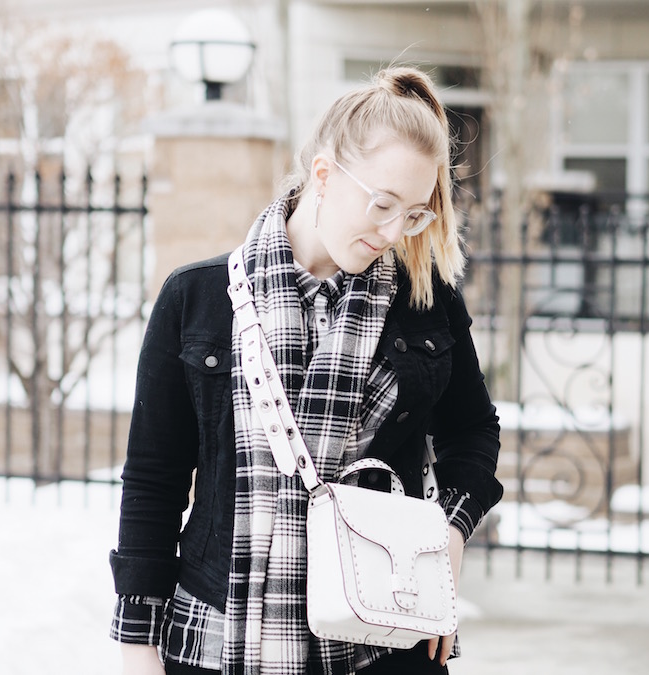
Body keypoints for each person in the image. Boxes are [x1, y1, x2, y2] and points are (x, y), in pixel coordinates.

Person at [109, 66, 503, 675]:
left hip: (382, 640)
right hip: (216, 643)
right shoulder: (197, 300)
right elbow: (154, 482)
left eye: (415, 214)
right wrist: (137, 643)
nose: (394, 231)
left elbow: (474, 431)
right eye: (382, 204)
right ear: (324, 174)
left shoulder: (426, 304)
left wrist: (450, 534)